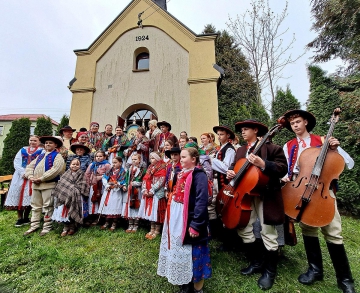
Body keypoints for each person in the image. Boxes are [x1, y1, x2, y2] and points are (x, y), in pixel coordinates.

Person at [282, 109, 355, 293]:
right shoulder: (289, 145)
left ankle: (345, 279)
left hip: (323, 192)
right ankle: (315, 270)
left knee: (333, 232)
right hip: (302, 191)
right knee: (308, 229)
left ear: (305, 122)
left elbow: (349, 163)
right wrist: (285, 177)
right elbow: (286, 170)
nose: (295, 125)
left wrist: (335, 149)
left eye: (298, 121)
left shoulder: (323, 140)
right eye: (292, 123)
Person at [226, 119, 287, 290]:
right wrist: (230, 173)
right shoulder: (241, 151)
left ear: (255, 130)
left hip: (265, 194)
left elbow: (283, 169)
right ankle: (257, 261)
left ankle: (269, 271)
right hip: (244, 195)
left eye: (246, 129)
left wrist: (263, 164)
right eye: (242, 130)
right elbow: (234, 168)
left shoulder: (273, 148)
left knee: (268, 231)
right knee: (244, 228)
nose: (242, 132)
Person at [157, 147, 212, 293]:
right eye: (180, 157)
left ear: (193, 159)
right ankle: (185, 282)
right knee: (180, 248)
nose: (180, 160)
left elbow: (201, 201)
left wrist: (196, 225)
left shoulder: (199, 175)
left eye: (183, 157)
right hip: (177, 217)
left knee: (193, 251)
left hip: (189, 218)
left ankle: (196, 287)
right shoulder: (180, 173)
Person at [23, 136, 65, 236]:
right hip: (36, 185)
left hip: (48, 185)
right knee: (35, 205)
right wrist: (30, 176)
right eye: (46, 143)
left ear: (55, 145)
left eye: (50, 143)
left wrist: (41, 178)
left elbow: (55, 170)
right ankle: (34, 225)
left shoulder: (58, 156)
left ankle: (47, 226)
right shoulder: (41, 156)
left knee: (48, 206)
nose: (48, 144)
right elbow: (30, 166)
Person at [4, 135, 43, 227]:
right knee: (18, 196)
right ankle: (19, 218)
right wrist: (24, 172)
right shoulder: (22, 150)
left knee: (30, 197)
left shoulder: (42, 151)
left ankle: (26, 217)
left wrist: (30, 174)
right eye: (31, 140)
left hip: (33, 176)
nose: (32, 142)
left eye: (35, 141)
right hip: (20, 176)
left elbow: (41, 163)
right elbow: (16, 162)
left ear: (38, 142)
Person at [211, 125, 238, 251]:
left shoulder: (230, 150)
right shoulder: (219, 149)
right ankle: (221, 237)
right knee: (218, 207)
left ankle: (229, 241)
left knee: (225, 208)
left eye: (222, 134)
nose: (219, 136)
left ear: (228, 136)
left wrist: (211, 161)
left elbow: (227, 167)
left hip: (224, 182)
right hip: (216, 181)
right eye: (218, 134)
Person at [52, 158, 90, 236]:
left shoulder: (81, 174)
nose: (75, 166)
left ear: (80, 166)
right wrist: (70, 188)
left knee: (72, 211)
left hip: (76, 197)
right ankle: (65, 227)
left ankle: (72, 227)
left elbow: (82, 185)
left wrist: (73, 189)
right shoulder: (66, 173)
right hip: (64, 197)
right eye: (73, 164)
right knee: (64, 212)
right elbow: (61, 184)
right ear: (70, 165)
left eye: (77, 164)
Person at [139, 152, 167, 239]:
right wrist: (144, 189)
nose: (151, 160)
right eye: (150, 158)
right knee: (151, 212)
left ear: (158, 158)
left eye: (153, 158)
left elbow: (162, 180)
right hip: (148, 193)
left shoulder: (162, 167)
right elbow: (145, 178)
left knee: (157, 212)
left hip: (157, 193)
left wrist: (152, 189)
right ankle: (151, 229)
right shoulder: (149, 167)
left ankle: (157, 230)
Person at [98, 156, 127, 231]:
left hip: (116, 192)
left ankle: (114, 223)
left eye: (115, 162)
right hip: (108, 191)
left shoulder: (123, 172)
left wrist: (117, 184)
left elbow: (123, 181)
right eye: (112, 163)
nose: (113, 164)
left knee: (114, 205)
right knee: (107, 206)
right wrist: (107, 185)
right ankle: (107, 222)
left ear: (120, 163)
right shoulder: (109, 171)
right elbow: (104, 178)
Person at [85, 150, 112, 225]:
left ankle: (100, 217)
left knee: (101, 199)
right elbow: (87, 174)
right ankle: (92, 216)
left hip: (102, 185)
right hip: (93, 185)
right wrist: (88, 183)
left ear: (104, 157)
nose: (98, 158)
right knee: (93, 200)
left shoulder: (107, 165)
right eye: (97, 156)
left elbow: (110, 174)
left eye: (100, 156)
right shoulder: (92, 164)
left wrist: (102, 177)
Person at [122, 153, 146, 233]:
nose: (133, 161)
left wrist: (137, 183)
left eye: (135, 159)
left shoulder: (143, 170)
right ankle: (130, 224)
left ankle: (136, 225)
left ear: (139, 160)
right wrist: (125, 185)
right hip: (130, 189)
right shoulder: (129, 169)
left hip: (137, 190)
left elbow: (143, 180)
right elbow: (126, 178)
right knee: (129, 205)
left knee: (136, 206)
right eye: (132, 159)